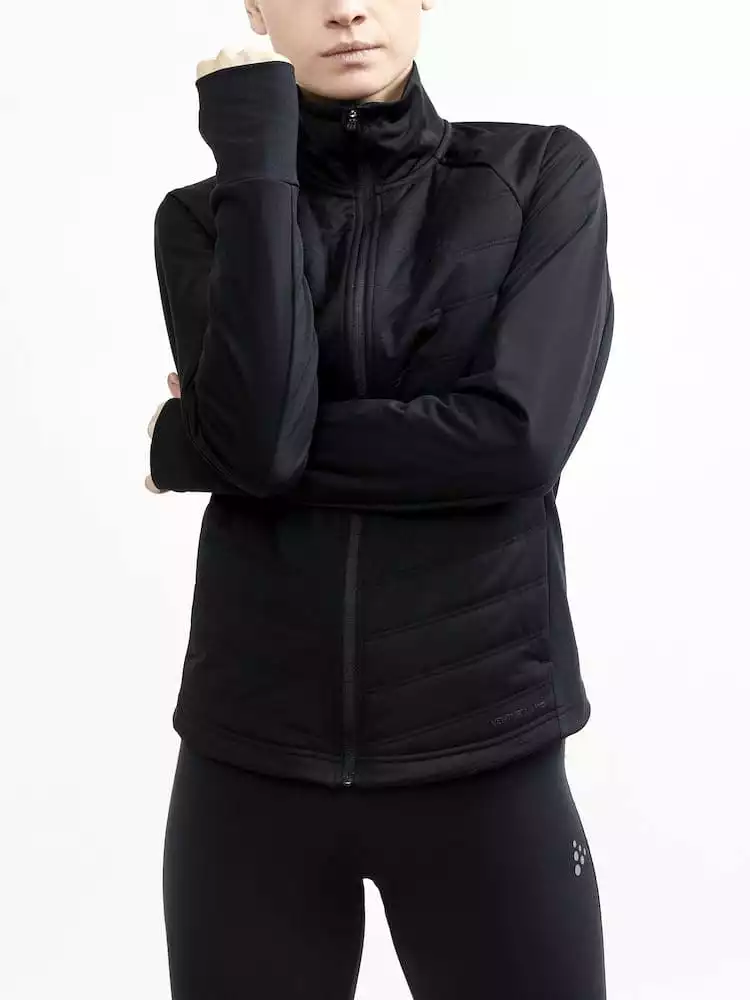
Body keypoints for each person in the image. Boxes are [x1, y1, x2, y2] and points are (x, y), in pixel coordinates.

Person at [147, 1, 614, 997]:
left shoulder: (538, 176)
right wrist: (256, 153)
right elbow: (261, 442)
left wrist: (192, 445)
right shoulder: (203, 216)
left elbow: (517, 441)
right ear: (256, 6)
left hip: (484, 751)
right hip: (250, 767)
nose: (347, 7)